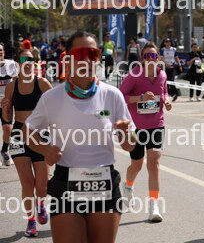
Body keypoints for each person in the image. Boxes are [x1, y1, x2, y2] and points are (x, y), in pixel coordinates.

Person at [25, 31, 136, 243]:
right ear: (68, 59)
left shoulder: (112, 95)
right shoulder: (52, 98)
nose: (87, 60)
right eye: (80, 54)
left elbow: (130, 145)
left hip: (104, 182)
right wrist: (45, 149)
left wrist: (126, 133)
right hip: (66, 182)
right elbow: (28, 131)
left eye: (93, 54)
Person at [2, 49, 53, 237]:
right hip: (18, 134)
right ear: (18, 63)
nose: (27, 62)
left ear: (35, 62)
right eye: (23, 59)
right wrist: (5, 109)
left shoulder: (43, 83)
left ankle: (40, 204)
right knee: (27, 183)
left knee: (42, 186)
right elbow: (8, 116)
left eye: (31, 59)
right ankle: (31, 221)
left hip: (40, 134)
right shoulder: (11, 86)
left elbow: (57, 107)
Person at [119, 42, 171, 221]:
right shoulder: (134, 75)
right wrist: (140, 98)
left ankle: (153, 205)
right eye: (147, 56)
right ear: (142, 59)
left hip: (157, 124)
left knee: (154, 163)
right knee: (137, 165)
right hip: (136, 127)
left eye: (153, 56)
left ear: (158, 58)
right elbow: (121, 96)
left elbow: (164, 92)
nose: (150, 59)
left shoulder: (162, 75)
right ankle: (128, 187)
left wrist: (167, 101)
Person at [0, 43, 19, 166]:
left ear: (4, 52)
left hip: (6, 103)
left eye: (0, 50)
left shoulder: (11, 64)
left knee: (8, 128)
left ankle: (4, 150)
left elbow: (16, 82)